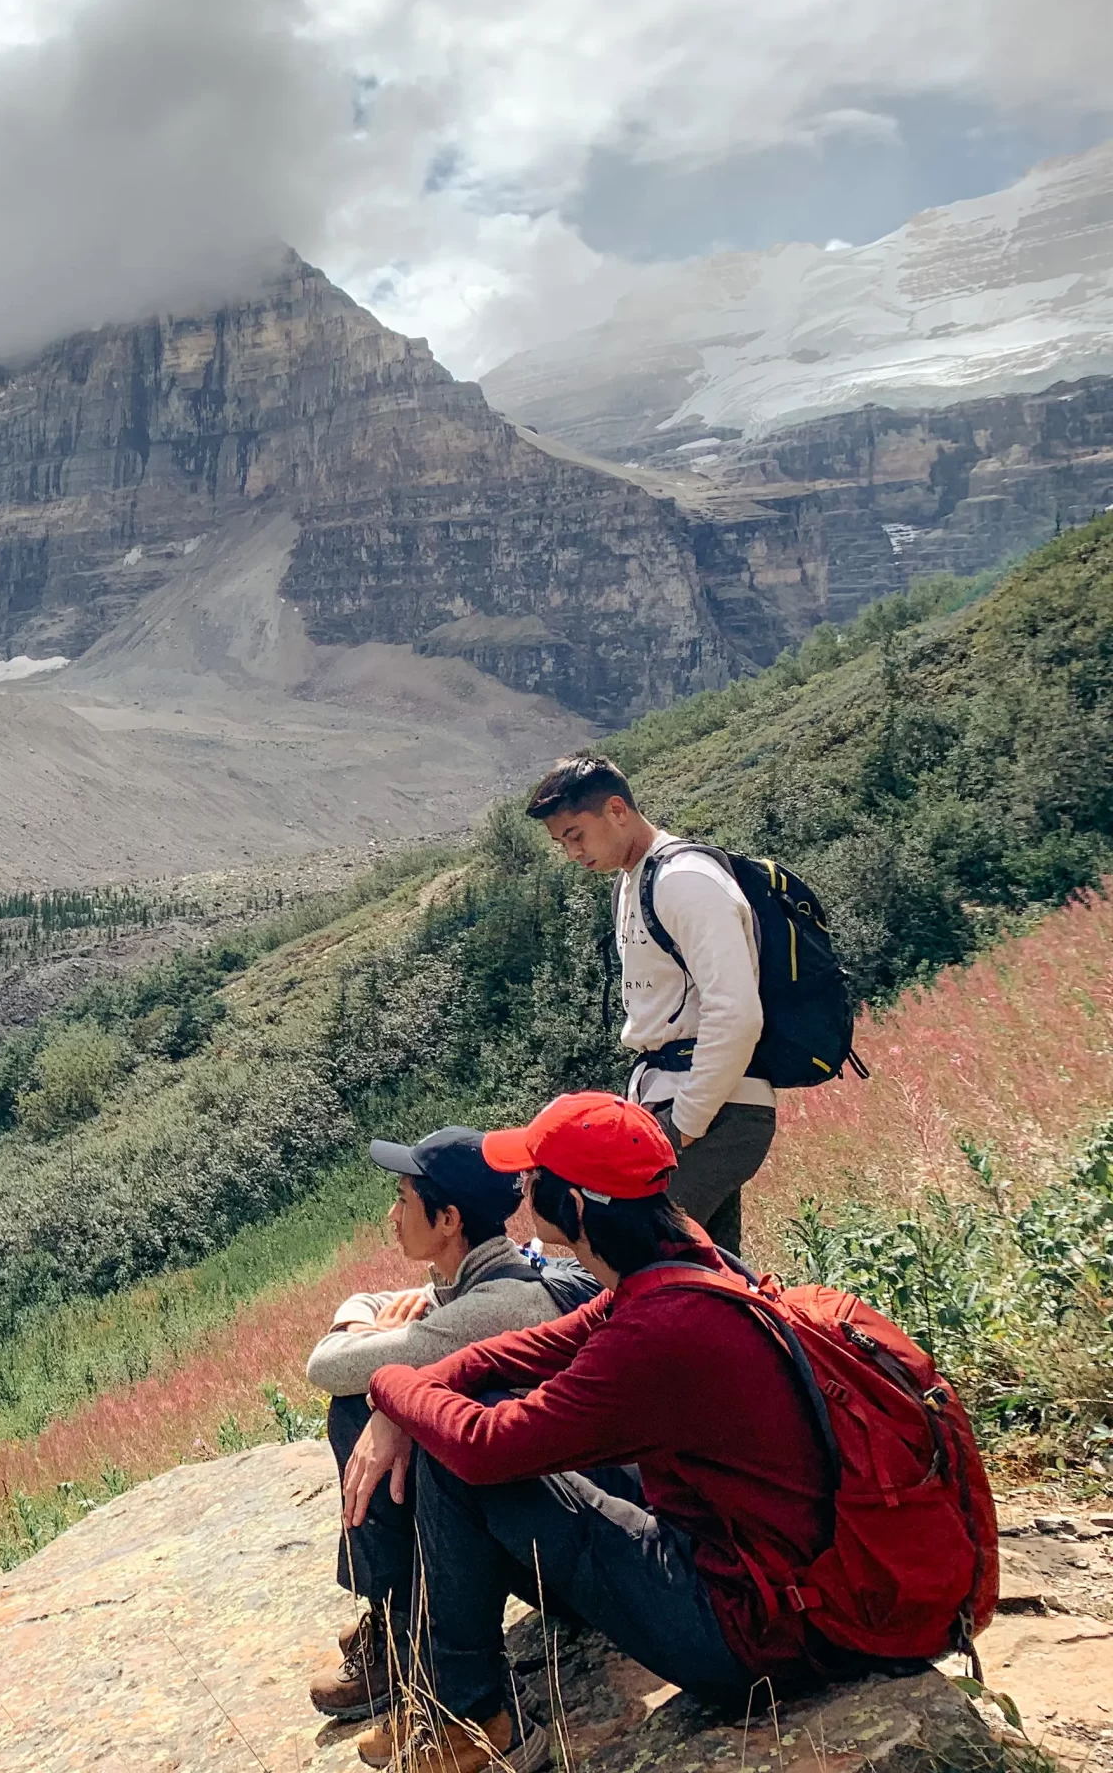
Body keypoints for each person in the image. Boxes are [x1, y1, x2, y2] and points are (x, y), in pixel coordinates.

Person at [342, 1094, 853, 1773]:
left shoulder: (657, 1332)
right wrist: (411, 1390)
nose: (522, 1191)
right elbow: (525, 1351)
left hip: (747, 1634)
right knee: (455, 1411)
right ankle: (448, 1696)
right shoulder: (682, 1265)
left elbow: (489, 1449)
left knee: (456, 1453)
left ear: (576, 1209)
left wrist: (391, 1388)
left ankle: (468, 1717)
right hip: (756, 1566)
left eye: (535, 1179)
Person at [303, 1127, 561, 1721]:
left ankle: (404, 1641)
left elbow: (327, 1366)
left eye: (403, 1199)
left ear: (447, 1220)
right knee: (382, 1396)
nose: (392, 1215)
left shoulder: (495, 1307)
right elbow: (368, 1298)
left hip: (549, 1555)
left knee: (359, 1403)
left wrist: (357, 1336)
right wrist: (364, 1323)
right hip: (518, 1526)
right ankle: (398, 1624)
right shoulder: (469, 1282)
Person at [525, 752, 775, 1254]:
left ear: (617, 809)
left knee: (631, 1260)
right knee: (706, 1279)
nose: (572, 853)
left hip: (716, 1108)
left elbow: (736, 1011)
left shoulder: (684, 879)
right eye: (561, 843)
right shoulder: (634, 880)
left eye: (576, 835)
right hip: (687, 1102)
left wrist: (684, 1124)